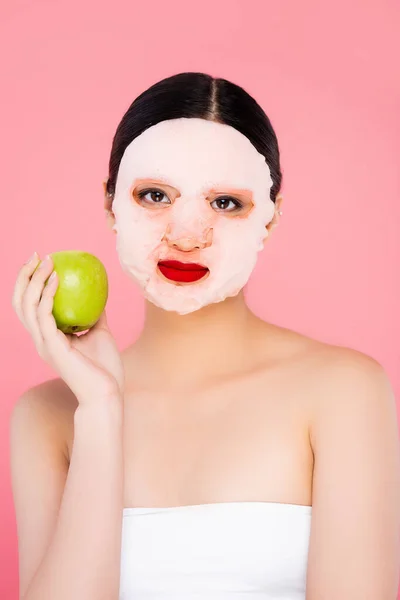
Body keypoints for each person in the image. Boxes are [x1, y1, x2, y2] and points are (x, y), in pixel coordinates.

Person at [10, 72, 400, 600]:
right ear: (110, 206)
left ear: (271, 218)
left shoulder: (345, 390)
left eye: (225, 203)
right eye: (154, 195)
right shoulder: (51, 415)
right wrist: (101, 409)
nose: (187, 234)